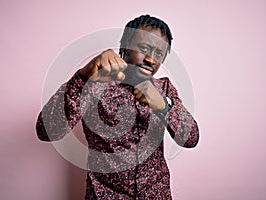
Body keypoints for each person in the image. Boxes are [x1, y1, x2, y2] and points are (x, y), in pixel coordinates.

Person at [36, 14, 199, 199]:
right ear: (125, 47)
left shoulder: (165, 88)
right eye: (144, 48)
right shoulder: (95, 83)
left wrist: (164, 106)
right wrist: (83, 77)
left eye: (159, 54)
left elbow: (191, 138)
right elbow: (46, 131)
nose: (151, 60)